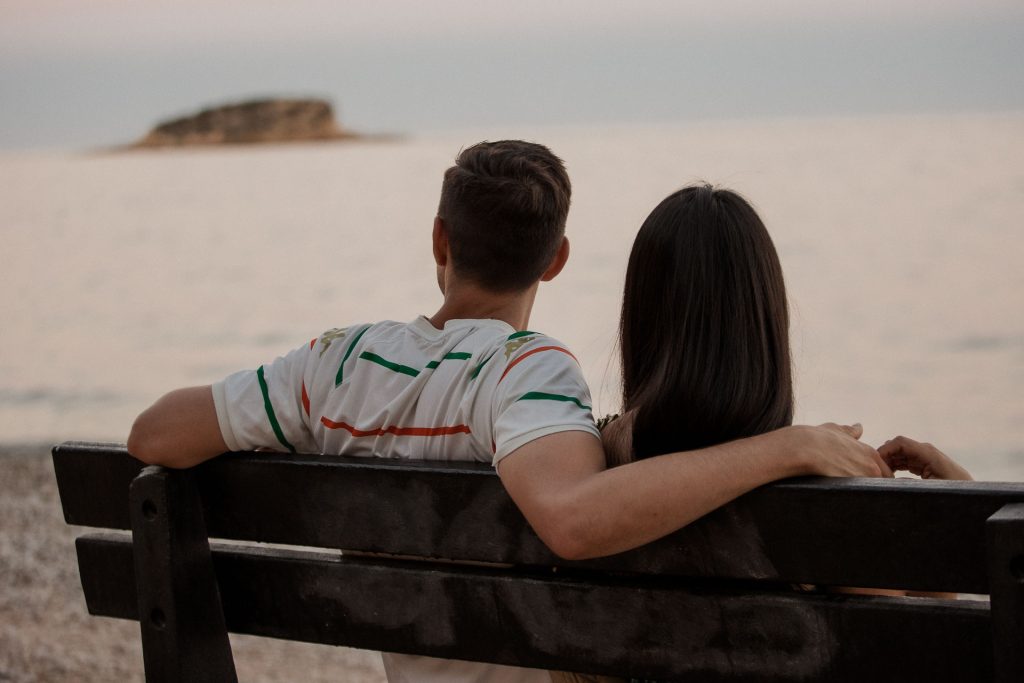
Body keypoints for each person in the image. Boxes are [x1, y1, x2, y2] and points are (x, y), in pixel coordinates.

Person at [129, 143, 887, 683]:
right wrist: (789, 448)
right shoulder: (532, 380)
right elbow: (574, 517)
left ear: (439, 237)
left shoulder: (335, 365)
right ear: (556, 257)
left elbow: (153, 434)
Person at [549, 183, 972, 683]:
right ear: (765, 323)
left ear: (640, 316)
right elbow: (913, 658)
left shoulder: (590, 472)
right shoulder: (817, 501)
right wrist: (956, 524)